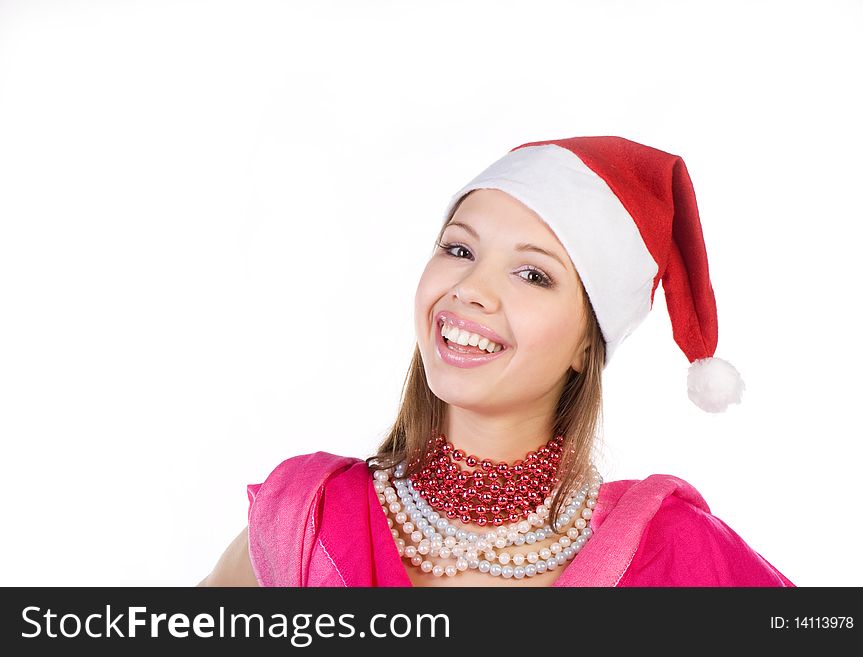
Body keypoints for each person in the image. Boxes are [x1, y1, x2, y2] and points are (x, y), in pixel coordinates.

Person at [198, 136, 794, 587]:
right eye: (459, 249)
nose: (471, 288)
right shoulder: (305, 518)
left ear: (590, 345)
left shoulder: (674, 552)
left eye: (532, 274)